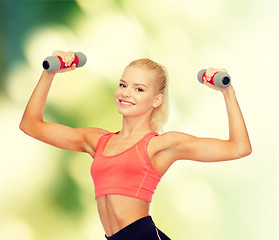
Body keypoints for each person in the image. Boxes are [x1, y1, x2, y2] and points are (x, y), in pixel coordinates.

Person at [20, 50, 252, 240]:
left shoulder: (161, 145)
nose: (126, 93)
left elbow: (239, 147)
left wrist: (227, 91)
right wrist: (49, 73)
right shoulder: (98, 141)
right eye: (123, 85)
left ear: (156, 100)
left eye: (139, 89)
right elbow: (31, 125)